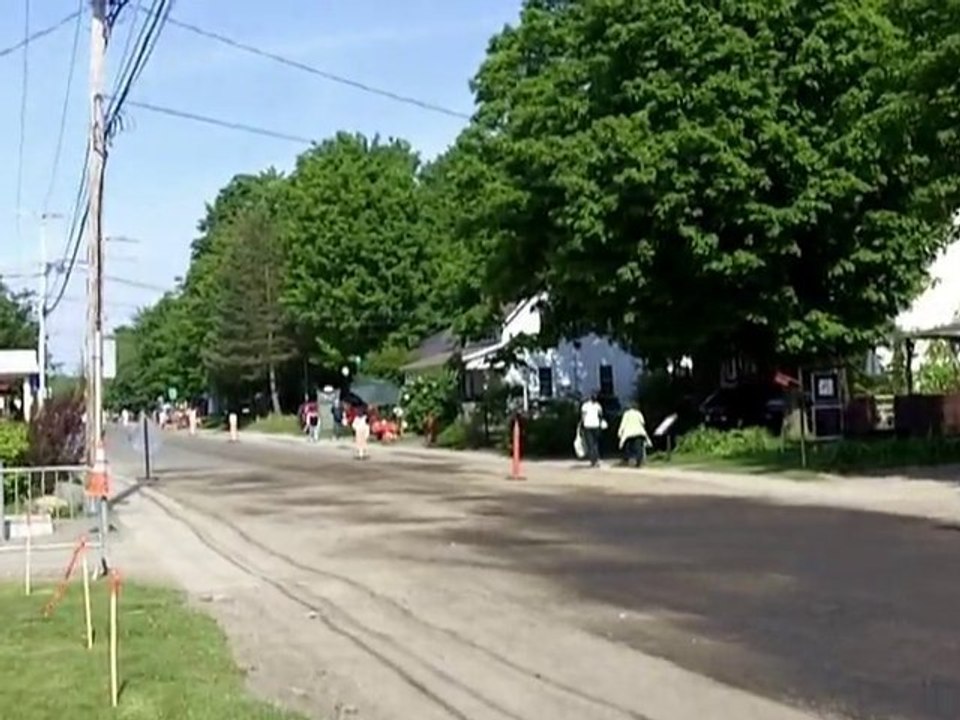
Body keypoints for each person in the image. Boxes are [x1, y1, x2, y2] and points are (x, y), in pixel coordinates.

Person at [618, 402, 650, 467]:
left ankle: (630, 459)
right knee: (638, 447)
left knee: (629, 447)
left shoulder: (626, 414)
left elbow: (623, 423)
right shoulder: (639, 413)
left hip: (628, 433)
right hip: (638, 432)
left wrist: (620, 431)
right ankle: (638, 461)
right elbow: (643, 423)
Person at [579, 393, 604, 467]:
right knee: (595, 443)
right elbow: (600, 415)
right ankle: (596, 459)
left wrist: (582, 424)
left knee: (590, 444)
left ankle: (593, 460)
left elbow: (583, 416)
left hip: (588, 425)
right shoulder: (598, 406)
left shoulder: (585, 406)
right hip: (596, 425)